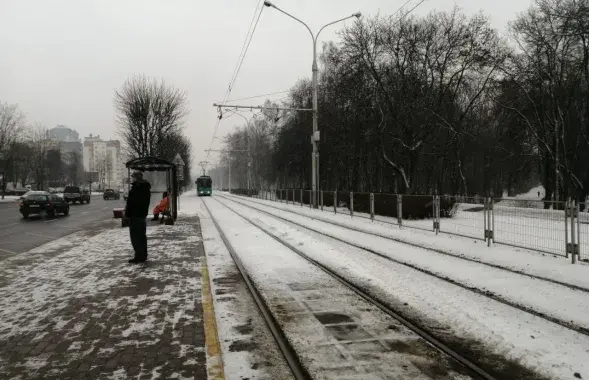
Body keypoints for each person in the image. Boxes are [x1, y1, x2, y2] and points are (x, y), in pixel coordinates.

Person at [124, 171, 151, 263]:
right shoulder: (145, 187)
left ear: (137, 178)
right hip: (141, 215)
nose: (132, 178)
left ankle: (139, 256)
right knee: (142, 236)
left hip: (135, 216)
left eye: (133, 177)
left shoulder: (137, 188)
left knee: (135, 237)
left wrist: (127, 214)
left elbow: (132, 203)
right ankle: (143, 255)